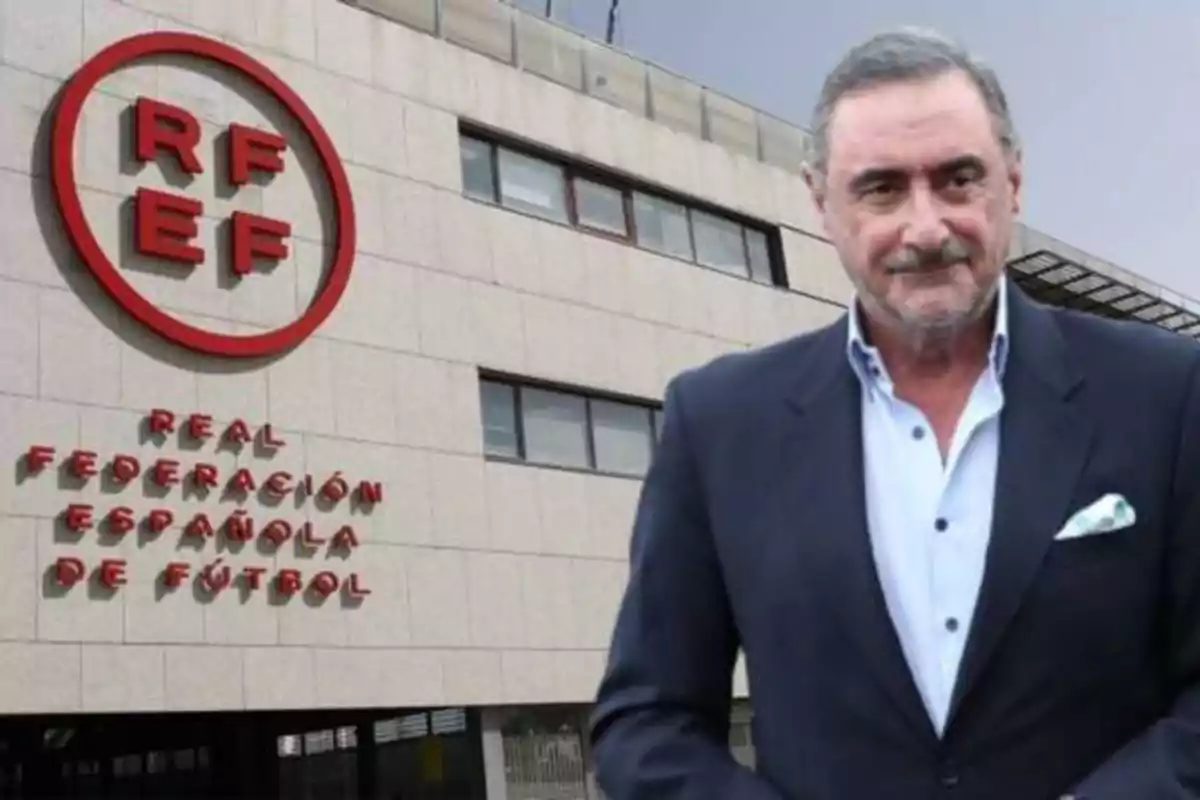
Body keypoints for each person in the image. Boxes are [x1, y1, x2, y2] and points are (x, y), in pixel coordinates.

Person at [589, 26, 1200, 800]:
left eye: (958, 179)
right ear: (821, 202)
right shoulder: (716, 424)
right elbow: (646, 723)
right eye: (881, 188)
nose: (925, 227)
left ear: (1012, 183)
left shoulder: (1168, 393)